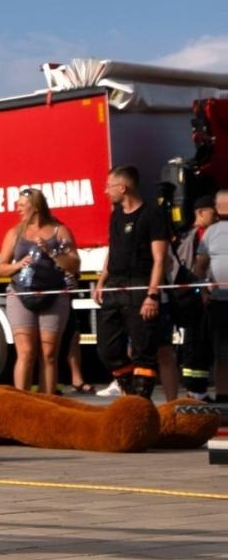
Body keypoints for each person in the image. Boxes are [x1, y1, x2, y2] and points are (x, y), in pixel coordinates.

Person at [0, 188, 81, 395]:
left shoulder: (59, 231)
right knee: (26, 352)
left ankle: (47, 403)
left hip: (53, 295)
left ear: (35, 207)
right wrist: (17, 266)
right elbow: (0, 268)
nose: (18, 210)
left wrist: (51, 252)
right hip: (21, 294)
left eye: (22, 206)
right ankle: (21, 404)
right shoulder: (15, 233)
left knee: (49, 353)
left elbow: (74, 264)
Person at [94, 166, 168, 398]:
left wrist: (152, 295)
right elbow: (113, 250)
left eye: (109, 186)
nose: (106, 191)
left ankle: (140, 403)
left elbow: (160, 258)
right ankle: (129, 393)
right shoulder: (115, 215)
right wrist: (101, 281)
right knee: (107, 350)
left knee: (143, 352)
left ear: (123, 187)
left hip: (140, 286)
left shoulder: (152, 214)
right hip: (115, 286)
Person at [178, 194, 218, 398]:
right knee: (196, 345)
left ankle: (198, 391)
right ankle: (196, 392)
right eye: (214, 210)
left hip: (210, 296)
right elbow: (197, 268)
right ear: (201, 212)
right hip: (198, 300)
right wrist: (202, 291)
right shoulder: (194, 235)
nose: (217, 214)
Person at [192, 188, 228, 402]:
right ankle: (224, 396)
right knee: (223, 351)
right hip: (220, 302)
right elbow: (200, 267)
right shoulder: (211, 232)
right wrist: (204, 289)